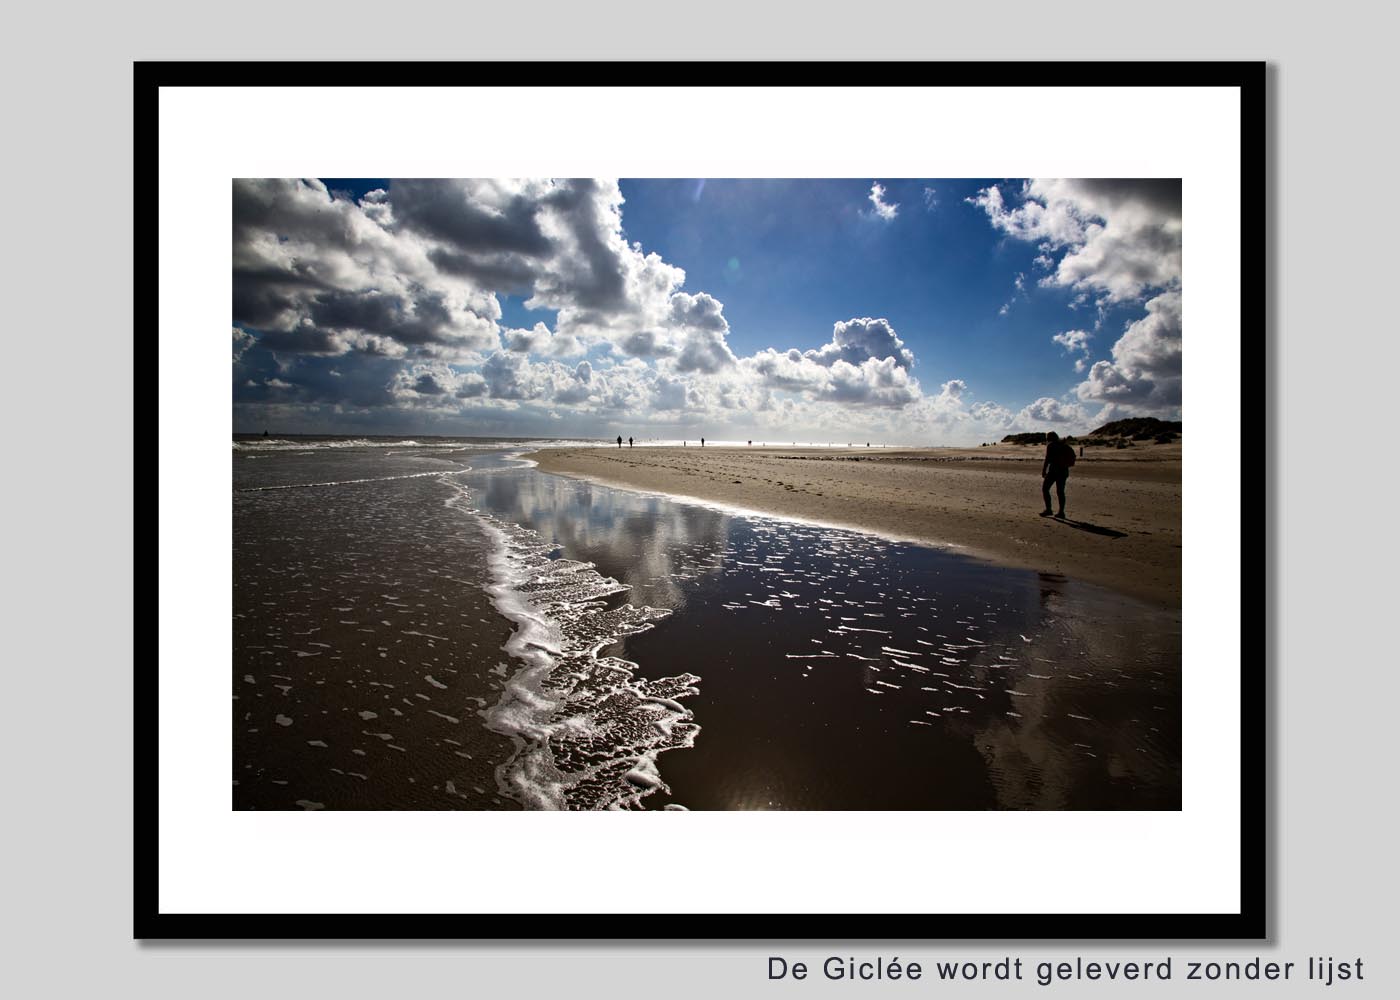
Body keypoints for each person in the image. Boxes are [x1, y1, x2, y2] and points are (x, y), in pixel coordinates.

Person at [1041, 431, 1075, 518]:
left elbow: (1047, 459)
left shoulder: (1051, 445)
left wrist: (1044, 470)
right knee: (1060, 492)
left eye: (1047, 437)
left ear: (1050, 438)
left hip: (1054, 471)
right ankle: (1061, 512)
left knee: (1045, 489)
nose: (1046, 439)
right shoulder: (1063, 445)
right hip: (1064, 471)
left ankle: (1049, 509)